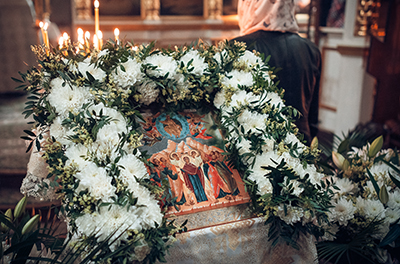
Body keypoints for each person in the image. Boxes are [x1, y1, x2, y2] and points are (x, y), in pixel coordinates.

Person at [231, 0, 321, 144]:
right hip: (300, 144)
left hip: (256, 149)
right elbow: (312, 116)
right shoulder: (311, 50)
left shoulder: (237, 47)